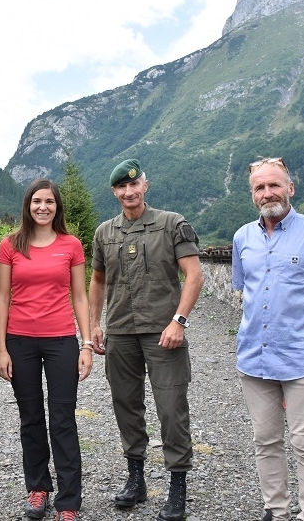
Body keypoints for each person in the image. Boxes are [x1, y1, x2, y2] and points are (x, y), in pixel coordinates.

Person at [232, 157, 304, 521]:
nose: (268, 193)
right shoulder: (242, 238)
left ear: (290, 188)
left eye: (274, 185)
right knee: (265, 441)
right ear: (253, 194)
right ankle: (277, 510)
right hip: (254, 358)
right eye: (260, 187)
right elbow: (245, 290)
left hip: (302, 359)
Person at [89, 158, 204, 521]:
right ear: (114, 192)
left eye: (133, 185)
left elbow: (194, 275)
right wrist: (94, 324)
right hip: (120, 332)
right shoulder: (104, 232)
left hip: (163, 332)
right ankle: (136, 480)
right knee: (126, 405)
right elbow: (97, 282)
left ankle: (177, 489)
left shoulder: (172, 224)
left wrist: (179, 321)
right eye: (121, 187)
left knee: (171, 409)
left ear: (145, 186)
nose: (128, 192)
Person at [0, 178, 93, 521]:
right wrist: (1, 349)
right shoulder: (10, 245)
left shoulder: (71, 245)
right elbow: (2, 297)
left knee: (63, 420)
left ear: (57, 207)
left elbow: (80, 297)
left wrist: (87, 343)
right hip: (19, 341)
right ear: (28, 205)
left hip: (62, 341)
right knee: (31, 417)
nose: (42, 207)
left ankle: (69, 503)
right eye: (37, 201)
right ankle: (38, 488)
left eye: (49, 202)